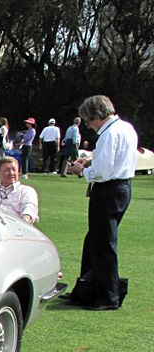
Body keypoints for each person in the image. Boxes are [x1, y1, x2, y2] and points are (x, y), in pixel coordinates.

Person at [65, 95, 137, 310]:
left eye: (88, 121)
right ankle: (87, 289)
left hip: (108, 190)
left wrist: (82, 170)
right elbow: (114, 159)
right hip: (121, 188)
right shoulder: (126, 128)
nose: (89, 126)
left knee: (103, 243)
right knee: (94, 240)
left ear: (97, 116)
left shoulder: (109, 134)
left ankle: (108, 296)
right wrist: (91, 160)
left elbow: (103, 172)